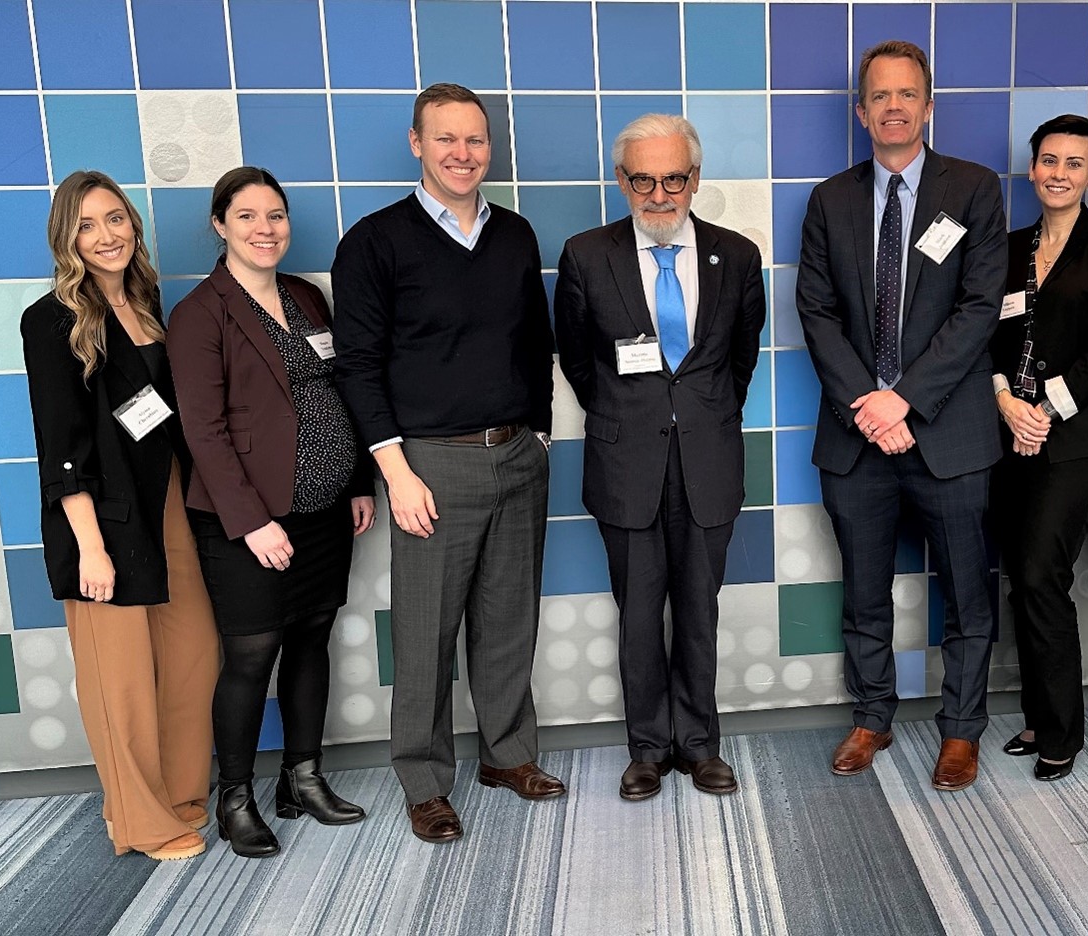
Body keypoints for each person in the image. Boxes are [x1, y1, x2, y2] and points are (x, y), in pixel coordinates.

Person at [331, 83, 562, 844]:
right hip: (428, 464)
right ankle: (426, 781)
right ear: (416, 144)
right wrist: (395, 471)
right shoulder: (374, 241)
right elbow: (359, 366)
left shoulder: (517, 235)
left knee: (507, 623)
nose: (463, 154)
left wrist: (542, 434)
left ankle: (507, 756)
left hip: (516, 456)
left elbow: (536, 342)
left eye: (475, 140)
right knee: (427, 634)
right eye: (446, 140)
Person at [796, 40, 1007, 791]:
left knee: (967, 592)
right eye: (878, 96)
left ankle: (961, 731)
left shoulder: (976, 189)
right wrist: (871, 408)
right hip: (856, 440)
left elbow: (980, 308)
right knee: (862, 592)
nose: (893, 106)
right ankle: (872, 715)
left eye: (906, 94)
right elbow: (816, 314)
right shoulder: (830, 199)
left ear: (928, 106)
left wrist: (905, 400)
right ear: (861, 112)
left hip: (949, 433)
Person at [554, 115, 766, 801]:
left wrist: (696, 417)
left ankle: (700, 745)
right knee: (639, 614)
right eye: (643, 179)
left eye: (674, 178)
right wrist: (633, 418)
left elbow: (740, 358)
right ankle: (647, 748)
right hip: (626, 465)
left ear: (695, 179)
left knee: (700, 612)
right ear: (622, 181)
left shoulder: (735, 256)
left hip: (709, 459)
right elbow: (581, 362)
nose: (659, 193)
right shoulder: (587, 255)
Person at [167, 167, 375, 857]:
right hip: (250, 521)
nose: (266, 229)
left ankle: (302, 778)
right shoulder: (200, 314)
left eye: (276, 216)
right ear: (220, 225)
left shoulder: (308, 298)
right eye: (249, 216)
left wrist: (360, 483)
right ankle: (235, 798)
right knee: (252, 654)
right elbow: (203, 430)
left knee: (312, 636)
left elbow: (341, 393)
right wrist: (253, 522)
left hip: (324, 509)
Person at [21, 171, 218, 861]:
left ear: (132, 223)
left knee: (195, 655)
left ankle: (179, 793)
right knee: (122, 678)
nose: (105, 236)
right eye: (86, 225)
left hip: (168, 502)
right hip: (100, 518)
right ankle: (137, 820)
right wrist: (90, 550)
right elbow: (60, 441)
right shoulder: (50, 319)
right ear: (66, 239)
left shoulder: (152, 304)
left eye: (114, 219)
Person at [989, 116, 1088, 781]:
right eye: (1049, 161)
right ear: (1032, 169)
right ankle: (1038, 714)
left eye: (1074, 163)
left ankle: (1061, 731)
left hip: (1074, 438)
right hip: (1008, 430)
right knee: (1021, 581)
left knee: (1040, 576)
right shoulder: (1008, 245)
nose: (1059, 173)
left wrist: (1045, 410)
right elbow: (987, 337)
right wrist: (1005, 400)